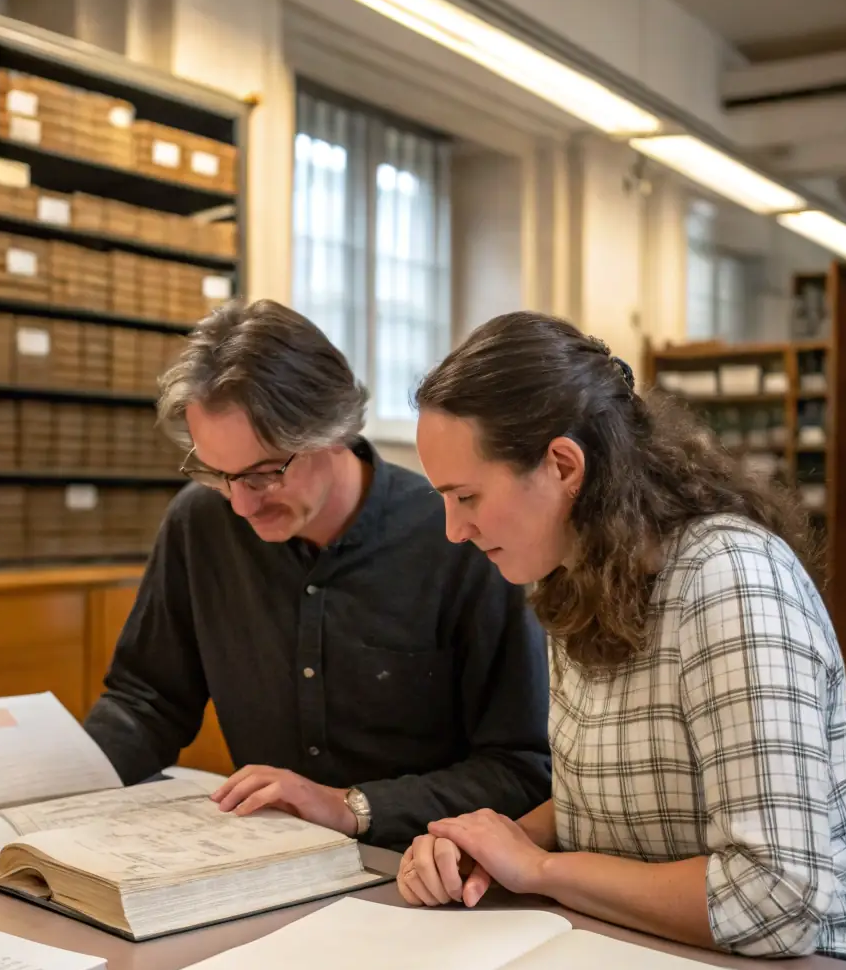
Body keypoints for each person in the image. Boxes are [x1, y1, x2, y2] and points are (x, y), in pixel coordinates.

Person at [399, 309, 846, 963]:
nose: (452, 530)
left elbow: (774, 898)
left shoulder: (728, 580)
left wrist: (542, 871)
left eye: (465, 496)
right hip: (642, 956)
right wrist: (489, 844)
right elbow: (612, 789)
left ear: (562, 464)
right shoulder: (571, 572)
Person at [84, 299, 551, 850]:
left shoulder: (460, 537)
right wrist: (40, 785)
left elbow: (521, 770)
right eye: (216, 473)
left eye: (263, 474)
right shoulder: (200, 522)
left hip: (425, 870)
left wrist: (351, 806)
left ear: (333, 430)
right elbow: (148, 703)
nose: (240, 505)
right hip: (266, 866)